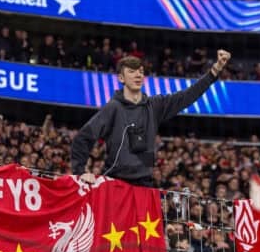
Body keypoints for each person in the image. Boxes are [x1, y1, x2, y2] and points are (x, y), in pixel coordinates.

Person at [71, 50, 231, 187]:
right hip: (116, 183)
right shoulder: (113, 108)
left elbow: (187, 96)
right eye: (132, 71)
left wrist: (215, 71)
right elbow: (83, 138)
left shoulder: (155, 106)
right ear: (121, 78)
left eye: (140, 71)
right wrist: (81, 172)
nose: (138, 75)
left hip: (145, 185)